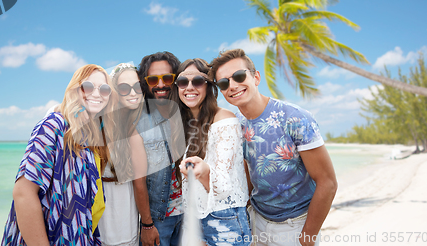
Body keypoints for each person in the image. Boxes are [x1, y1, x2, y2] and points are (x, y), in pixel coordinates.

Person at [209, 49, 337, 246]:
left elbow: (327, 182)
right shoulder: (236, 124)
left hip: (295, 226)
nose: (232, 86)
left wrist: (307, 237)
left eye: (239, 76)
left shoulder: (295, 118)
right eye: (224, 83)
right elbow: (248, 168)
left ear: (256, 77)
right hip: (257, 221)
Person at [1, 64, 114, 245]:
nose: (96, 93)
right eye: (89, 86)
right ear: (75, 89)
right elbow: (23, 193)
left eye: (105, 89)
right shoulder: (53, 125)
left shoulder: (88, 141)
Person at [173, 58, 251, 246]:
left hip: (225, 218)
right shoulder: (185, 124)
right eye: (183, 82)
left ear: (208, 86)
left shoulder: (225, 120)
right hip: (194, 217)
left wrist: (204, 171)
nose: (189, 87)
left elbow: (223, 187)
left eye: (198, 81)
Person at [132, 51, 185, 246]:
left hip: (189, 216)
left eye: (167, 78)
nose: (161, 84)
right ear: (146, 83)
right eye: (153, 79)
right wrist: (147, 225)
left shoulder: (187, 114)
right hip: (159, 219)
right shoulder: (139, 121)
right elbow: (139, 181)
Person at [97, 63, 143, 246]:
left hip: (125, 217)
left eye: (138, 87)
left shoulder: (134, 127)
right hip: (98, 216)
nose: (133, 92)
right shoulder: (96, 124)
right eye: (124, 87)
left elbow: (140, 183)